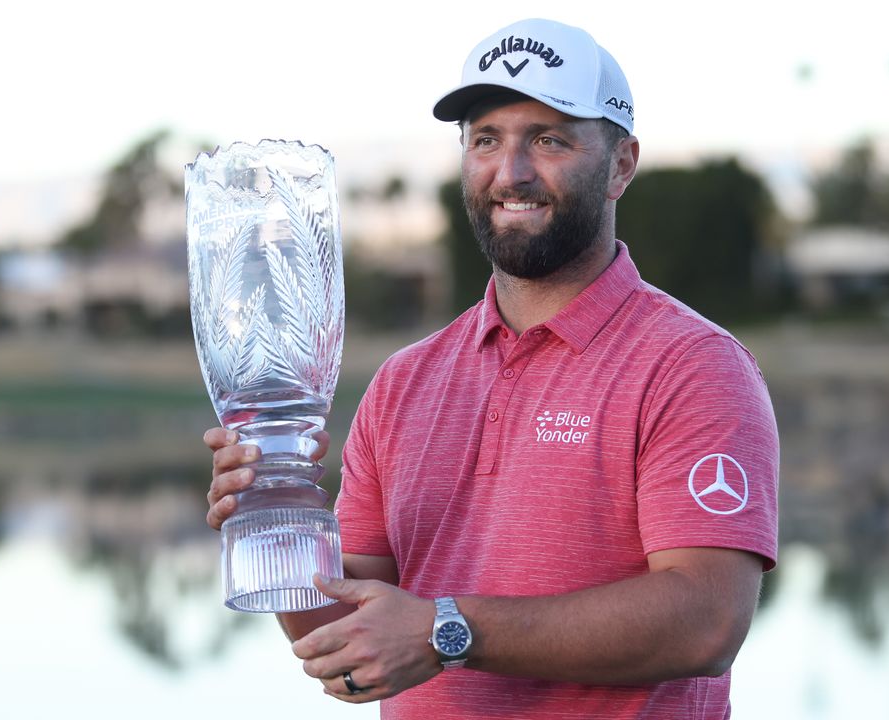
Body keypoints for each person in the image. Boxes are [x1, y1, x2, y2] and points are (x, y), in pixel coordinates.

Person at [204, 17, 778, 719]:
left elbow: (707, 620)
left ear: (621, 164)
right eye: (486, 140)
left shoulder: (691, 366)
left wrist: (447, 630)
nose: (512, 173)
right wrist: (281, 522)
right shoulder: (404, 384)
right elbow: (350, 653)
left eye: (549, 139)